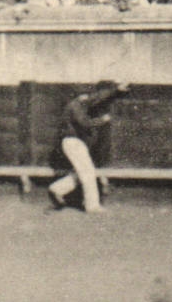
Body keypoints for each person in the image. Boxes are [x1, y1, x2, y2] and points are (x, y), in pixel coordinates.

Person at [48, 80, 130, 212]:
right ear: (79, 95)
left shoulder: (78, 103)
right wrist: (102, 120)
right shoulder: (75, 106)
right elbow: (84, 123)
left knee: (83, 172)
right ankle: (92, 205)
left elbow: (97, 97)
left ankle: (57, 188)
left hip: (74, 142)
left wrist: (117, 89)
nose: (88, 97)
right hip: (73, 142)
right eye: (85, 95)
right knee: (88, 172)